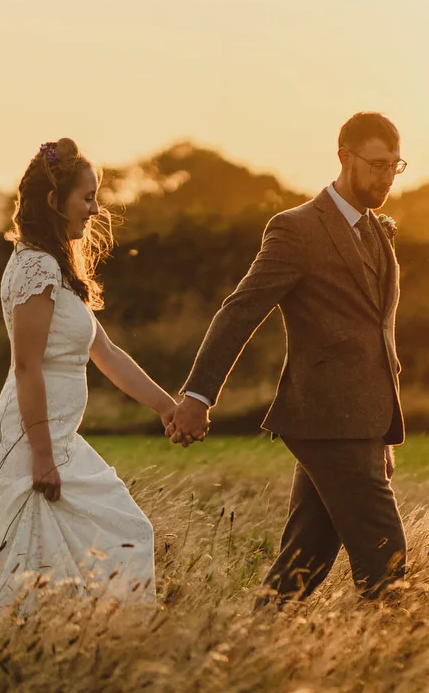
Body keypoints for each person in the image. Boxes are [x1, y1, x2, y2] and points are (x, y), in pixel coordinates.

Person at [168, 112, 409, 600]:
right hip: (323, 416)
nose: (386, 176)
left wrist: (383, 431)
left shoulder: (378, 231)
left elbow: (380, 336)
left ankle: (254, 644)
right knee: (386, 557)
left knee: (306, 558)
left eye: (395, 166)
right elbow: (240, 311)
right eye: (377, 164)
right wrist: (197, 395)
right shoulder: (297, 229)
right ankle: (398, 662)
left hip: (363, 421)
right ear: (344, 157)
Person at [0, 139, 184, 619]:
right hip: (33, 442)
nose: (94, 208)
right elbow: (26, 367)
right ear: (53, 202)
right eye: (87, 197)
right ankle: (22, 649)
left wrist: (167, 407)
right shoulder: (35, 267)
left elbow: (104, 352)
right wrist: (43, 458)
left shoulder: (58, 269)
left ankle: (89, 643)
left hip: (59, 439)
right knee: (38, 558)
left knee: (104, 543)